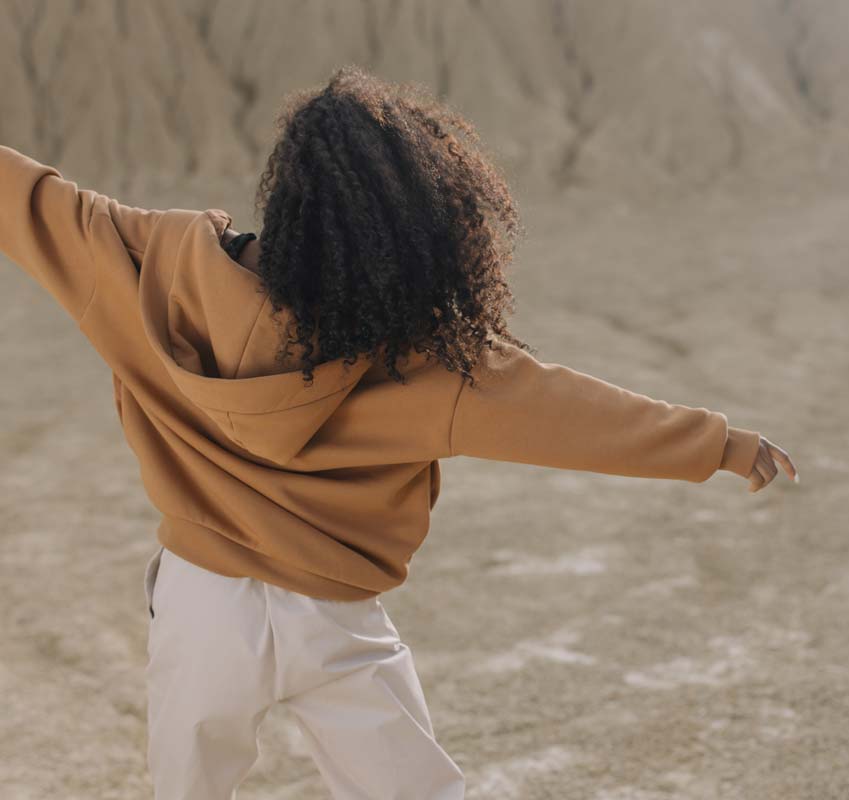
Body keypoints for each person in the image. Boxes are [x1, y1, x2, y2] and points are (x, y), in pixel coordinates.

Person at [0, 64, 797, 800]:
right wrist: (716, 444)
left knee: (186, 786)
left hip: (200, 604)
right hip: (332, 619)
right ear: (416, 227)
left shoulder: (155, 265)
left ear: (292, 192)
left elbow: (31, 198)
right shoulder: (430, 360)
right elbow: (573, 413)